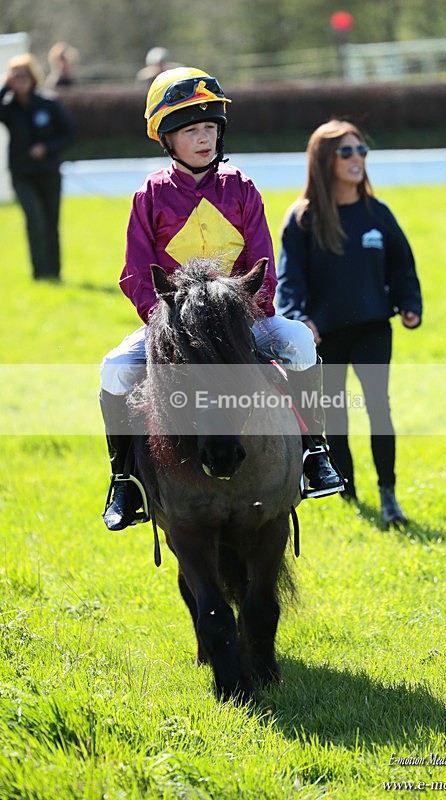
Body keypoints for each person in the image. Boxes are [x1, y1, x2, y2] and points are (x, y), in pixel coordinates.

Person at [99, 66, 343, 531]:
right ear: (167, 139)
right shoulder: (148, 196)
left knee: (300, 343)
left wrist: (245, 316)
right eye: (191, 130)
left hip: (242, 320)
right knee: (114, 369)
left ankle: (315, 452)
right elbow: (136, 273)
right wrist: (170, 325)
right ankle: (124, 480)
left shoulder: (242, 189)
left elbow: (263, 266)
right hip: (172, 325)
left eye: (210, 127)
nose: (204, 138)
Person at [276, 118, 422, 526]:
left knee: (379, 407)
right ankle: (348, 493)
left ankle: (389, 496)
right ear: (326, 161)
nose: (357, 158)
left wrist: (410, 303)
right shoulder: (303, 218)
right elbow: (289, 280)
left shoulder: (378, 214)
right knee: (334, 413)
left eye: (361, 151)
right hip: (326, 334)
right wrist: (299, 318)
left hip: (374, 326)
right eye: (346, 152)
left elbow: (403, 267)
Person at [0, 53, 74, 281]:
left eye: (24, 75)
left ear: (32, 77)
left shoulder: (48, 103)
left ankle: (54, 272)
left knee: (51, 222)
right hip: (22, 174)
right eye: (15, 75)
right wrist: (4, 86)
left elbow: (69, 133)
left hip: (48, 172)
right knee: (34, 220)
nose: (20, 79)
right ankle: (39, 273)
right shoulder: (8, 107)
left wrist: (47, 147)